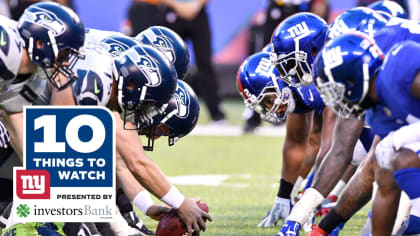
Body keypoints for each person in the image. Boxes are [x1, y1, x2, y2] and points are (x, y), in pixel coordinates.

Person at [311, 30, 420, 235]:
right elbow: (369, 173)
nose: (337, 101)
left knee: (403, 160)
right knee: (386, 170)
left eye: (336, 91)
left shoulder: (400, 69)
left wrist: (405, 136)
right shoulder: (377, 114)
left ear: (353, 79)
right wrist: (323, 229)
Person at [161, 0, 226, 124]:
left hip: (197, 12)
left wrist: (196, 5)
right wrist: (177, 5)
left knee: (205, 64)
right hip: (172, 12)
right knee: (167, 64)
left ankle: (217, 114)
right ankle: (162, 111)